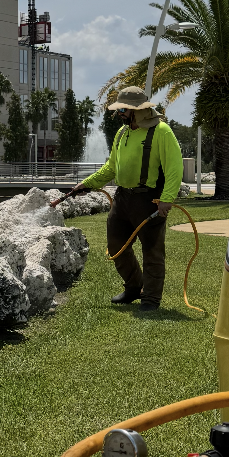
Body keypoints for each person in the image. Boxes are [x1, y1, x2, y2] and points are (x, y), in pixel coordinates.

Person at [79, 86, 183, 309]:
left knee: (152, 251)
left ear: (139, 110)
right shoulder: (122, 133)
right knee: (116, 246)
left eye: (123, 110)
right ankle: (134, 287)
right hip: (122, 198)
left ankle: (151, 298)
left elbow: (174, 168)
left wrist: (167, 199)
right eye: (119, 110)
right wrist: (87, 184)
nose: (119, 114)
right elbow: (110, 168)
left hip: (149, 200)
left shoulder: (162, 131)